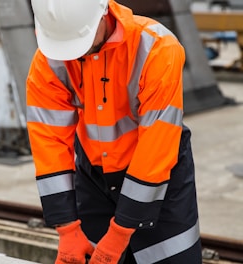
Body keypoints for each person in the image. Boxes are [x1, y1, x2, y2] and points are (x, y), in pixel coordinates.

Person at [26, 0, 202, 263]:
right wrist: (67, 229)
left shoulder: (156, 47)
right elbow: (49, 142)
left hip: (160, 178)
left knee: (172, 256)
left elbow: (156, 146)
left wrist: (120, 234)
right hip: (95, 177)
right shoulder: (49, 58)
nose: (76, 52)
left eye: (81, 37)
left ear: (104, 10)